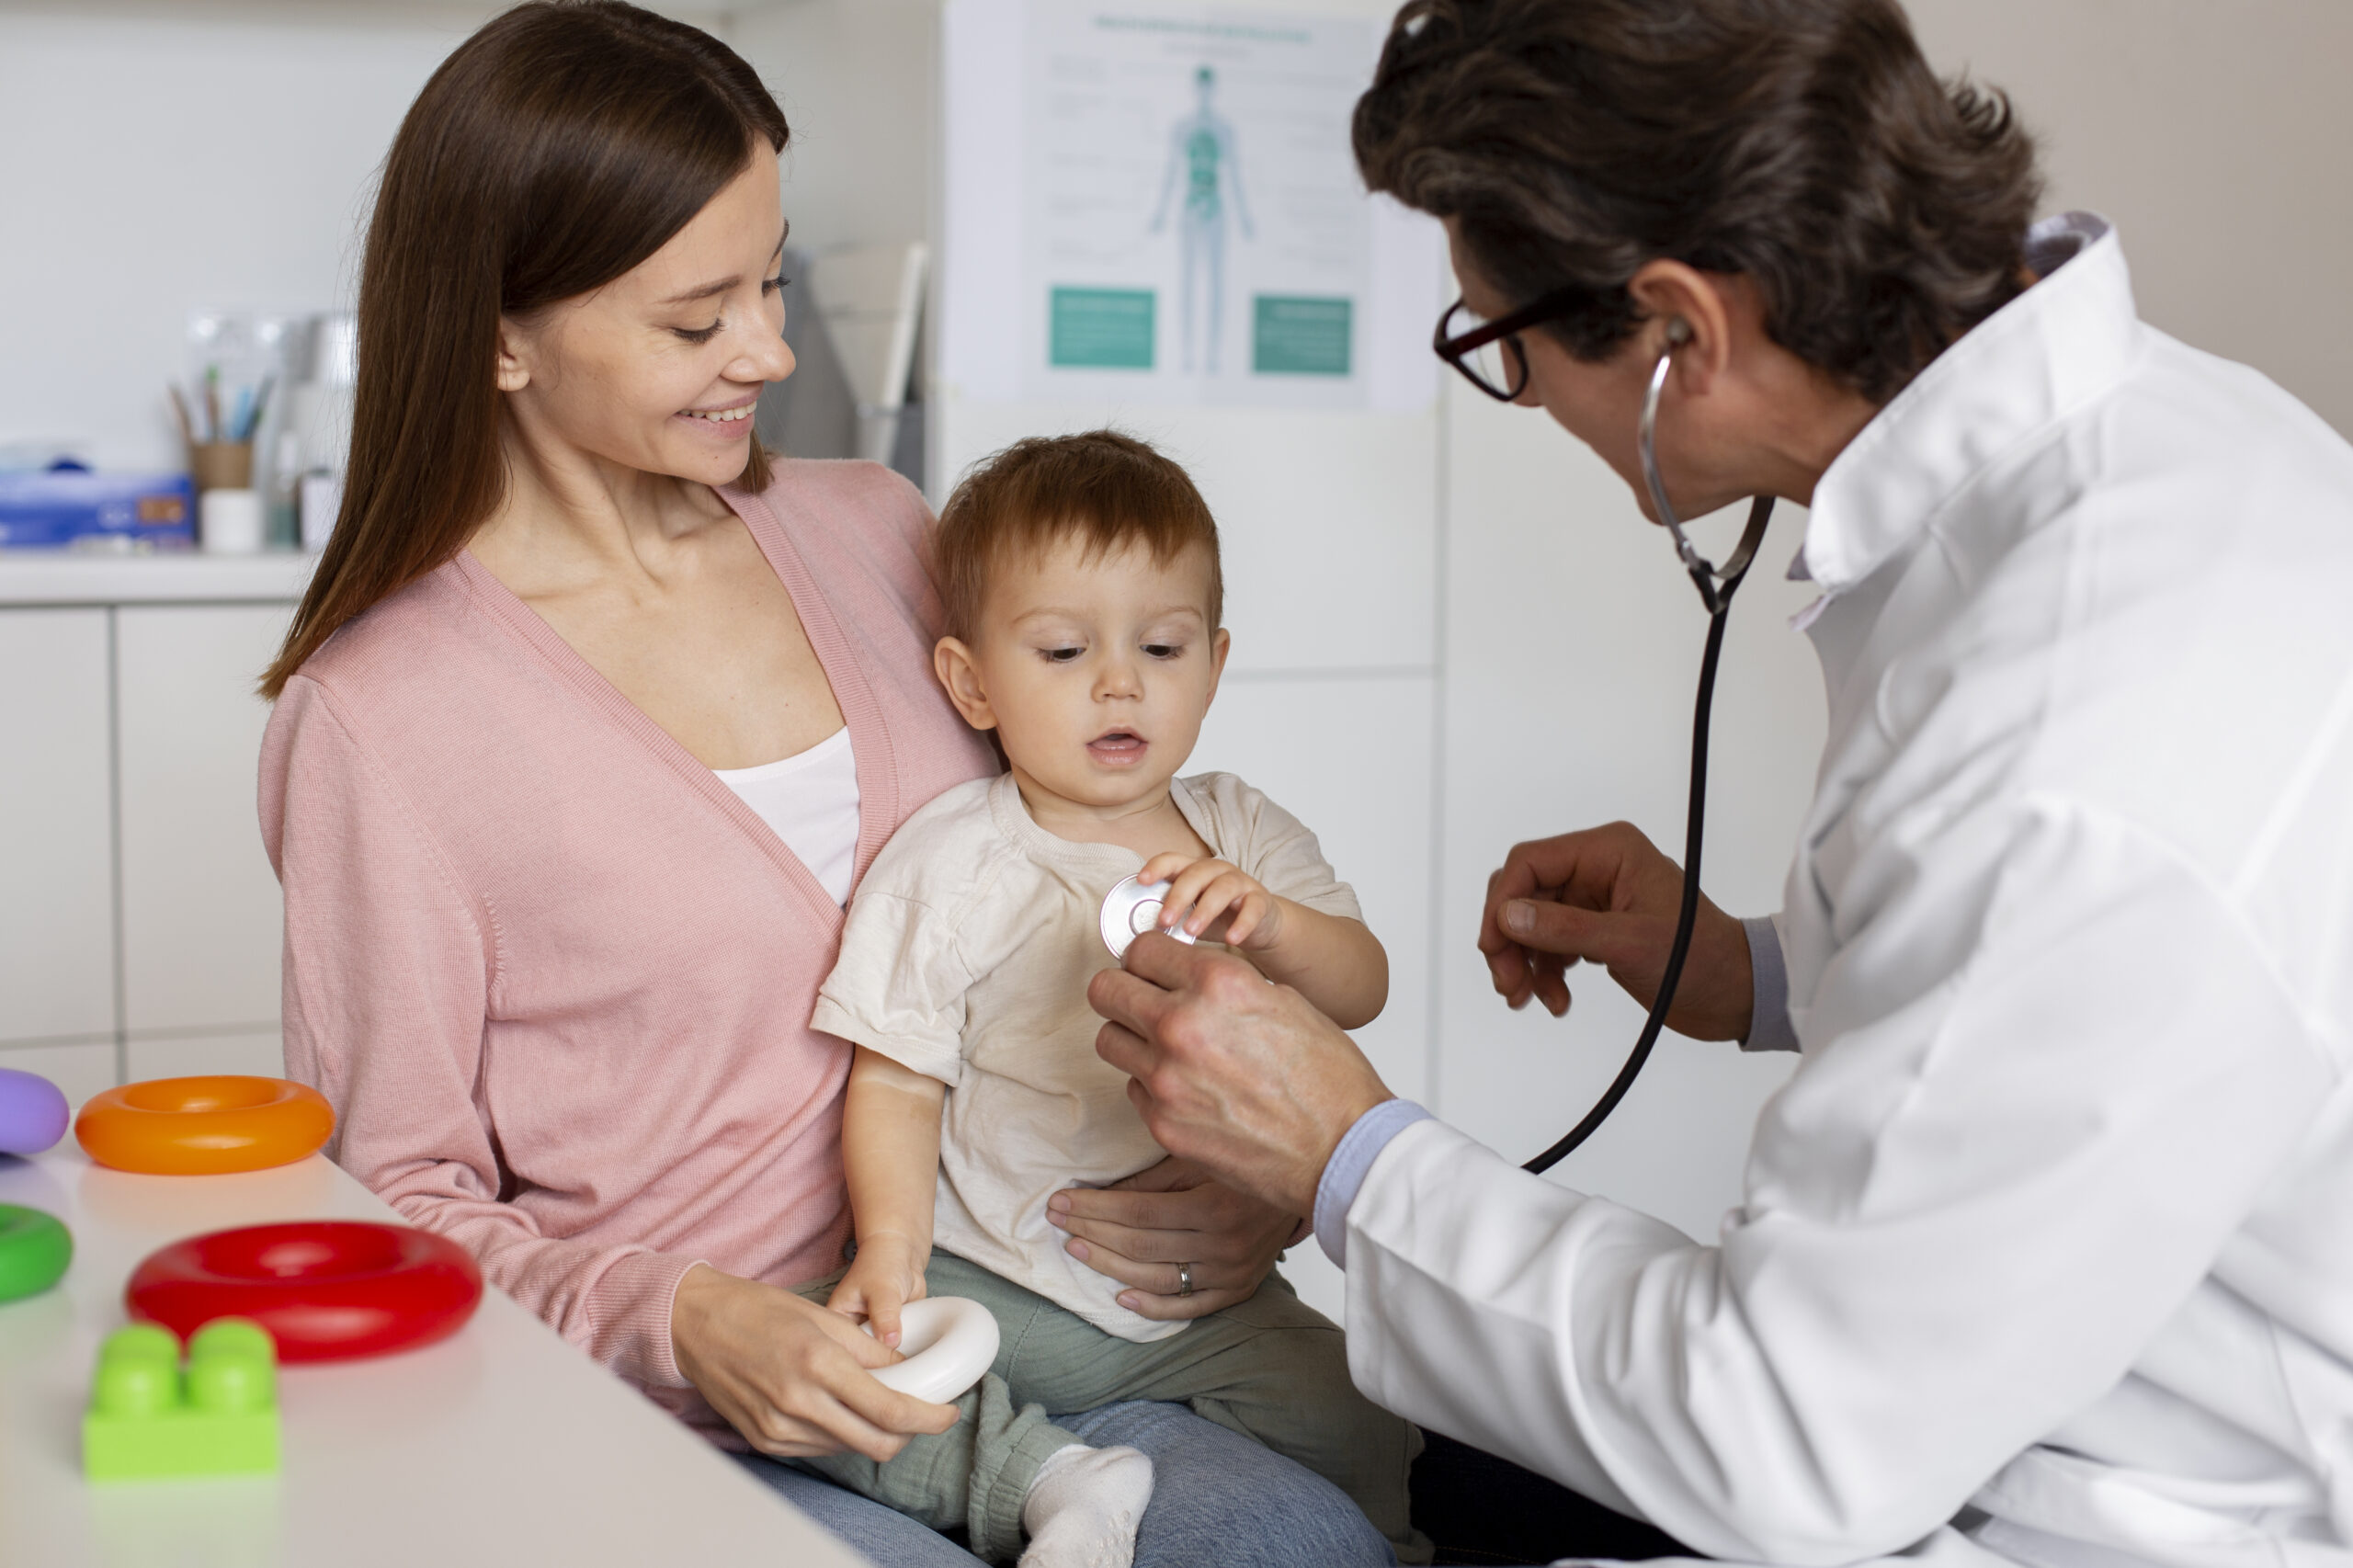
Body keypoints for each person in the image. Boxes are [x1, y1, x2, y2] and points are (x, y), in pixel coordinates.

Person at [1082, 3, 2353, 1567]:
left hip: (2099, 1504)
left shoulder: (2081, 736)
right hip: (2008, 1384)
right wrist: (1752, 969)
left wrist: (1344, 1149)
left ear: (1682, 324)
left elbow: (1787, 1439)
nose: (1528, 397)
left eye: (1503, 345)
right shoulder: (2172, 453)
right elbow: (2080, 1021)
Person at [252, 6, 1386, 1564]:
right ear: (502, 331)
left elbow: (1095, 883)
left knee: (1294, 1544)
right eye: (697, 315)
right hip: (692, 1400)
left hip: (1027, 1318)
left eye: (770, 280)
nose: (774, 352)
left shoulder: (884, 534)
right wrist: (684, 1318)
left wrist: (1235, 1173)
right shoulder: (383, 720)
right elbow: (393, 1201)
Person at [796, 432, 1424, 1566]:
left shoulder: (1239, 833)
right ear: (971, 681)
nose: (1120, 681)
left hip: (1201, 1309)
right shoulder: (955, 860)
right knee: (827, 1377)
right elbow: (894, 1077)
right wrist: (889, 1250)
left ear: (1216, 663)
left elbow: (1364, 985)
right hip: (996, 1279)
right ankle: (1050, 1475)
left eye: (1163, 644)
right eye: (1065, 649)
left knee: (1364, 1414)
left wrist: (1275, 924)